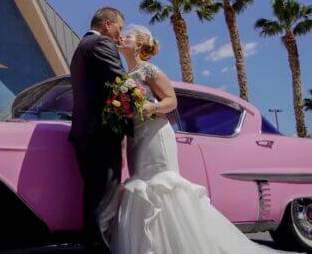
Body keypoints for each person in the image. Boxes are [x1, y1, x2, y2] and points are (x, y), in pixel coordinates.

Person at [107, 25, 281, 254]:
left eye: (127, 36)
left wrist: (152, 106)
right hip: (135, 138)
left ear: (138, 45)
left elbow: (171, 101)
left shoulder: (149, 70)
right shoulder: (125, 78)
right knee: (141, 188)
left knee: (162, 186)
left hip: (155, 135)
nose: (122, 38)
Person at [69, 7, 129, 253]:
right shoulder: (102, 43)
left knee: (94, 201)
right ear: (107, 24)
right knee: (104, 204)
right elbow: (122, 84)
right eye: (119, 27)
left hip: (84, 134)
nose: (120, 34)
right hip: (103, 135)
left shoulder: (80, 49)